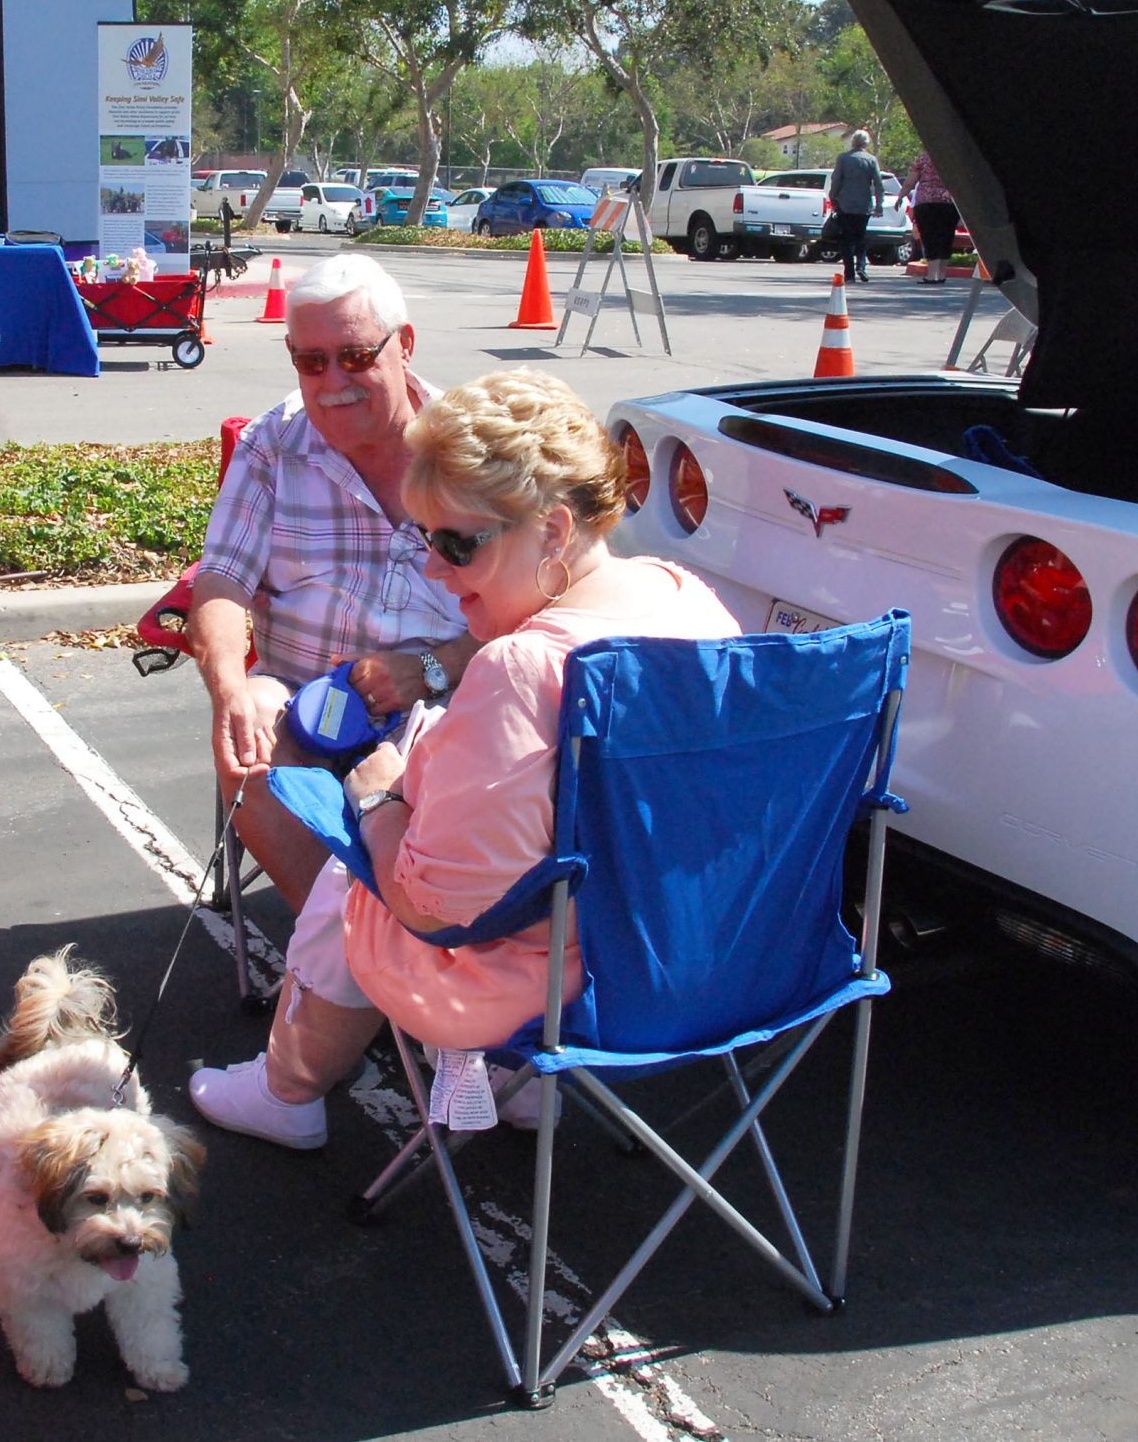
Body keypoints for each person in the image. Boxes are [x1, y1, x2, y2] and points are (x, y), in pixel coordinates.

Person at [189, 372, 743, 1150]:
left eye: (457, 542)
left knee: (357, 884)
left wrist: (380, 797)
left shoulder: (520, 668)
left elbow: (432, 907)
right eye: (424, 539)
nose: (437, 571)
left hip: (559, 989)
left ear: (554, 530)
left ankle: (291, 1087)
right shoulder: (691, 599)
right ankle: (510, 1089)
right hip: (711, 958)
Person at [190, 252, 480, 916]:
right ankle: (353, 952)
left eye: (353, 356)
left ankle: (389, 959)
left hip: (438, 714)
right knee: (248, 729)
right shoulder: (273, 444)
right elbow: (221, 579)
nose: (331, 382)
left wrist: (432, 667)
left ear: (403, 345)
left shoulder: (469, 451)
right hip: (304, 701)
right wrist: (231, 685)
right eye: (310, 360)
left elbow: (533, 612)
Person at [825, 128, 885, 284]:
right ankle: (861, 266)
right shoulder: (871, 160)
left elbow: (836, 180)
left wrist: (833, 197)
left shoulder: (844, 159)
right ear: (866, 143)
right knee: (860, 237)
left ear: (853, 142)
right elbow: (878, 184)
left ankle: (850, 272)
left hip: (845, 204)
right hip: (863, 205)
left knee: (847, 239)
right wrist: (879, 204)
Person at [898, 147, 961, 284]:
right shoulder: (953, 158)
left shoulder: (924, 158)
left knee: (930, 237)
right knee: (946, 236)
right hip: (948, 201)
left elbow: (910, 182)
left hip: (926, 202)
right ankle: (942, 274)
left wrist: (900, 197)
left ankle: (932, 274)